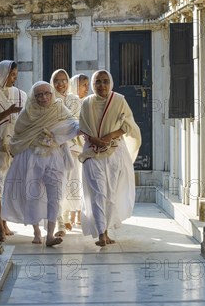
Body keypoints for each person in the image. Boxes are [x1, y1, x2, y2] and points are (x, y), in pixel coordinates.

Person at [2, 81, 79, 246]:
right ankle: (36, 231)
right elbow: (18, 136)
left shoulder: (59, 108)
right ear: (33, 97)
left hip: (54, 156)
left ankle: (50, 235)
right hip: (32, 157)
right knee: (33, 195)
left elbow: (73, 124)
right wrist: (36, 139)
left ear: (52, 94)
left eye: (47, 93)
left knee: (55, 196)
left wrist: (55, 135)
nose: (43, 97)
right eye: (39, 95)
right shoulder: (27, 113)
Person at [79, 70, 141, 247]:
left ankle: (105, 230)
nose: (102, 86)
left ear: (111, 83)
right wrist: (94, 139)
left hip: (114, 151)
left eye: (105, 81)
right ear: (92, 84)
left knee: (110, 193)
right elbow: (82, 126)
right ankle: (101, 233)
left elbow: (128, 125)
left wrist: (109, 136)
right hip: (92, 151)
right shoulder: (86, 103)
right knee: (99, 192)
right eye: (98, 82)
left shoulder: (119, 100)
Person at [0, 60, 27, 242]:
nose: (14, 79)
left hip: (14, 150)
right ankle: (0, 228)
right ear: (2, 74)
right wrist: (8, 112)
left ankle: (5, 222)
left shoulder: (20, 94)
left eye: (16, 76)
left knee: (8, 190)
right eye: (11, 75)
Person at [49, 69, 83, 238]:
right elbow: (48, 125)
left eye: (63, 80)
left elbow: (77, 123)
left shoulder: (75, 101)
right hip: (54, 149)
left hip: (73, 149)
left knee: (71, 185)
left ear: (68, 81)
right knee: (56, 185)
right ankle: (59, 222)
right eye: (56, 80)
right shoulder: (49, 100)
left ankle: (68, 215)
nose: (60, 83)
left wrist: (63, 133)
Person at [67, 73, 90, 226]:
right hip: (71, 148)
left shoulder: (88, 103)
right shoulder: (68, 102)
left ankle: (80, 213)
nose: (87, 88)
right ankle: (69, 214)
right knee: (71, 181)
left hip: (85, 147)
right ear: (75, 85)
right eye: (83, 85)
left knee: (83, 181)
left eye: (88, 85)